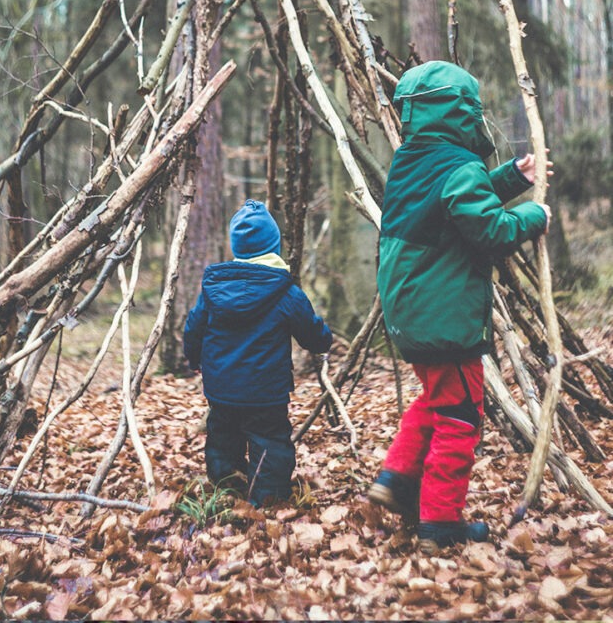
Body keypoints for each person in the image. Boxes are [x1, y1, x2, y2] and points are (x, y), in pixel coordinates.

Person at [368, 60, 551, 554]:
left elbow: (458, 202)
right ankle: (440, 522)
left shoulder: (411, 162)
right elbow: (490, 230)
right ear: (461, 111)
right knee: (461, 416)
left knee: (437, 399)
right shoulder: (458, 166)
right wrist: (534, 215)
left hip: (410, 313)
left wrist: (512, 177)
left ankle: (396, 478)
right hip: (443, 316)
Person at [183, 199, 332, 506]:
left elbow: (193, 328)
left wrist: (194, 358)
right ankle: (267, 501)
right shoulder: (285, 292)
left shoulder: (214, 290)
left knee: (223, 438)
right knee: (270, 443)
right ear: (274, 246)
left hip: (222, 388)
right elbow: (312, 334)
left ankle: (226, 491)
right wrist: (323, 340)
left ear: (236, 247)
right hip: (266, 392)